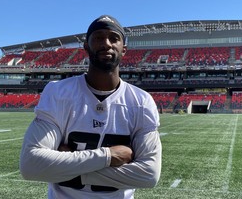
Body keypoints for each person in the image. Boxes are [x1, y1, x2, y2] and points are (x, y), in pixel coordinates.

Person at [19, 15, 162, 199]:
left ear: (124, 49)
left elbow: (149, 175)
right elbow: (31, 165)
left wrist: (67, 168)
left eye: (114, 38)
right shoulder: (58, 92)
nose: (106, 43)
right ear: (86, 46)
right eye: (98, 38)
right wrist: (108, 156)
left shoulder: (141, 101)